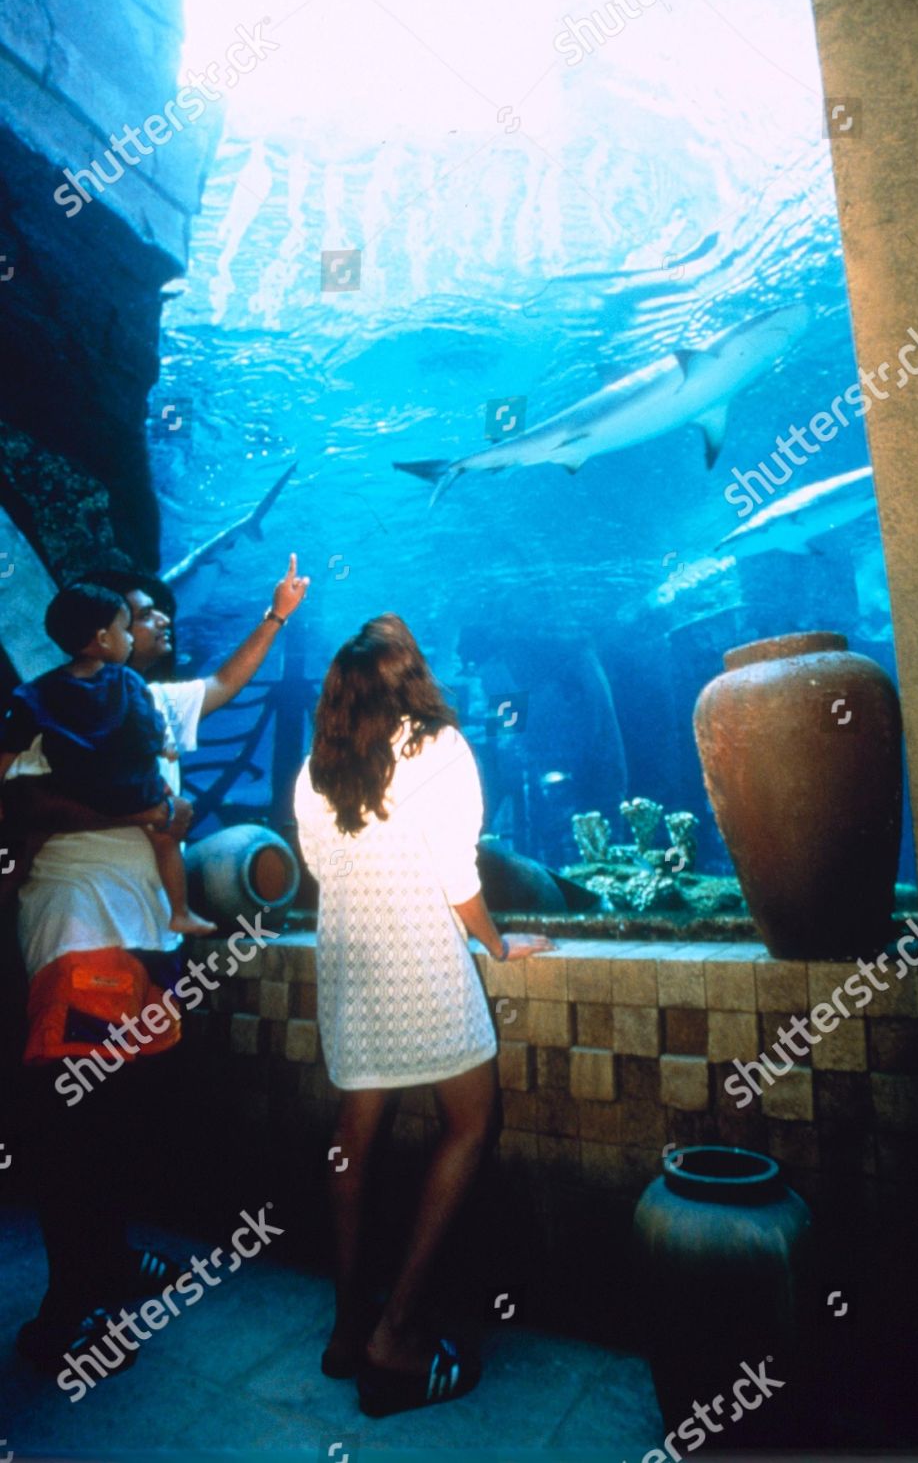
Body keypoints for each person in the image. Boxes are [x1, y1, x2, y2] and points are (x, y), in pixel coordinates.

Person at [3, 554, 309, 1373]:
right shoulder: (57, 706)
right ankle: (65, 1311)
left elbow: (227, 684)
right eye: (141, 614)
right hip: (79, 927)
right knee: (75, 1129)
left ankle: (103, 1260)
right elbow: (21, 803)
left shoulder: (149, 703)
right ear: (105, 633)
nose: (157, 622)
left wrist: (276, 616)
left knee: (117, 1117)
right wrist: (136, 808)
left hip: (146, 937)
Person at [294, 613, 552, 1418]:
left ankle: (345, 1329)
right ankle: (397, 1334)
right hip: (419, 965)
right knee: (471, 1123)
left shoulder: (317, 769)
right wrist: (499, 945)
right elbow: (455, 874)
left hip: (346, 966)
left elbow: (318, 868)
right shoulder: (437, 747)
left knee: (352, 1139)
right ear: (408, 680)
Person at [0, 583, 214, 935]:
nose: (130, 638)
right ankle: (180, 912)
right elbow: (148, 728)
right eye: (124, 629)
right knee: (165, 834)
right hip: (133, 792)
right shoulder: (128, 681)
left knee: (28, 842)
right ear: (103, 638)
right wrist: (165, 745)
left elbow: (10, 746)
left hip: (76, 791)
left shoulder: (36, 692)